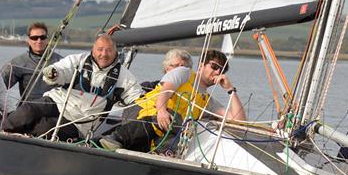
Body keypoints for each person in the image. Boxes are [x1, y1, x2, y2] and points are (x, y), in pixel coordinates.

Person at [0, 34, 143, 141]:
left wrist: (152, 106)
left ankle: (18, 131)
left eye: (108, 50)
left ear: (115, 52)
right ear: (93, 50)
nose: (104, 54)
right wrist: (53, 72)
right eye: (100, 49)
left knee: (46, 127)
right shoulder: (79, 60)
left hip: (81, 121)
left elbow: (138, 98)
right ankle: (1, 125)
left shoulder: (124, 76)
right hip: (59, 101)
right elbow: (62, 69)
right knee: (29, 109)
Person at [100, 49, 245, 152]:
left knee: (183, 128)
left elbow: (238, 122)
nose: (218, 72)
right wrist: (162, 111)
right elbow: (167, 90)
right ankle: (115, 138)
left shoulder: (208, 101)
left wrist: (230, 90)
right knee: (174, 118)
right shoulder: (184, 72)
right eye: (214, 66)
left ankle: (158, 154)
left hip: (160, 133)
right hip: (141, 115)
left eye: (223, 70)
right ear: (201, 65)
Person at [1, 22, 62, 105]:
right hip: (28, 109)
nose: (39, 41)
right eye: (35, 38)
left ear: (47, 40)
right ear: (29, 40)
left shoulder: (61, 62)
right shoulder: (18, 62)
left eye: (42, 37)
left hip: (54, 109)